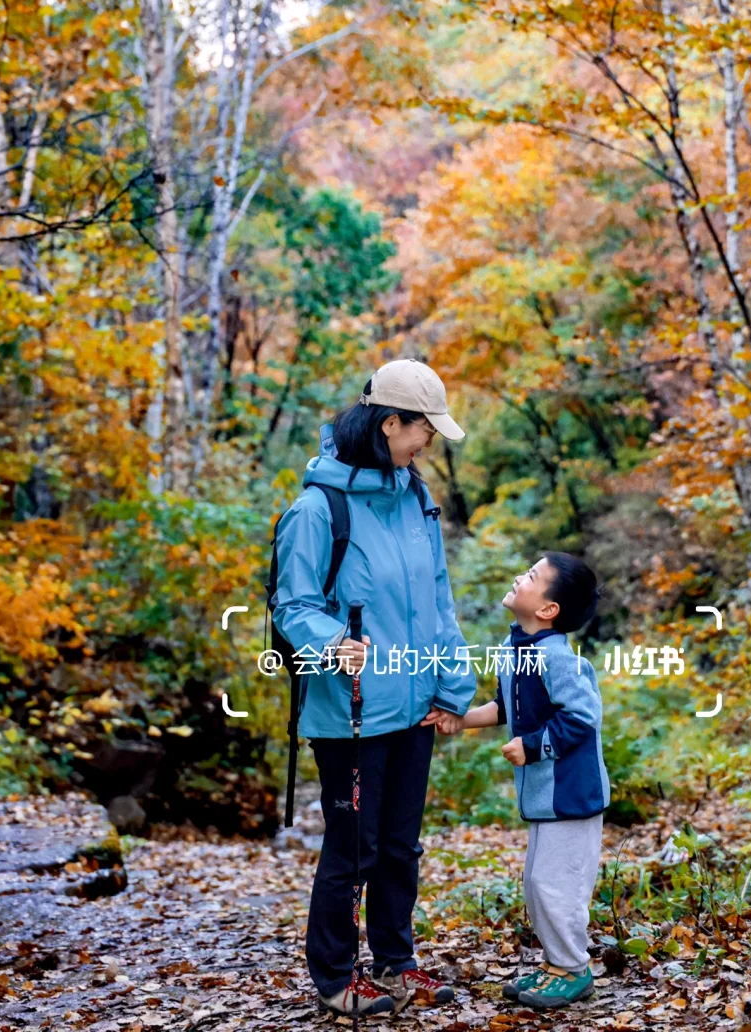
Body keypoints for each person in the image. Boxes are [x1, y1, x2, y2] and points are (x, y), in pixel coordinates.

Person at [271, 358, 477, 1017]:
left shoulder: (416, 499)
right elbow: (293, 605)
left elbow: (438, 605)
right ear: (390, 423)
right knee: (353, 849)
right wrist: (334, 643)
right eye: (424, 431)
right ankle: (335, 978)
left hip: (414, 709)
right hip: (350, 714)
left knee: (399, 846)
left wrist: (453, 685)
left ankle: (396, 960)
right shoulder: (316, 509)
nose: (429, 444)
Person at [435, 551, 609, 1011]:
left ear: (548, 609)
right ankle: (556, 964)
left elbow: (584, 717)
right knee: (537, 885)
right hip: (544, 797)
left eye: (532, 575)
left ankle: (573, 968)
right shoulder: (517, 650)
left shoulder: (556, 658)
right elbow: (506, 708)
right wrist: (459, 718)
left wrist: (533, 746)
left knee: (557, 887)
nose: (520, 575)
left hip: (572, 794)